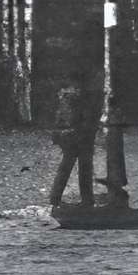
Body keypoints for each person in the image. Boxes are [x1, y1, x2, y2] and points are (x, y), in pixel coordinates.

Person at [46, 69, 101, 212]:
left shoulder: (66, 95)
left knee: (71, 165)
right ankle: (86, 199)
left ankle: (56, 198)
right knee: (83, 166)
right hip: (78, 133)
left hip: (71, 133)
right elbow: (80, 116)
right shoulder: (78, 96)